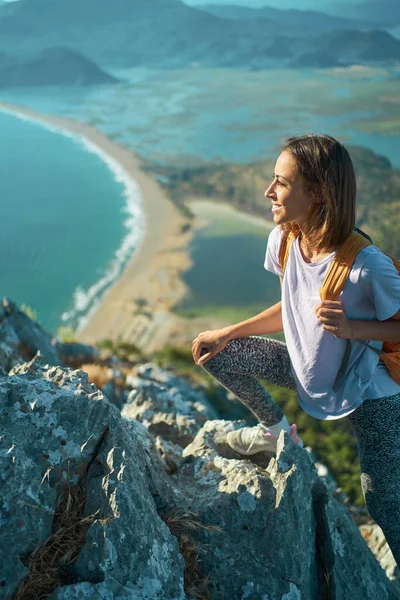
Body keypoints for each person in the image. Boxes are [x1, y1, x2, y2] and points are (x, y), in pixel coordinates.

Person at [191, 133, 400, 565]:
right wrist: (229, 331)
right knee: (218, 353)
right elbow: (292, 305)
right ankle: (275, 433)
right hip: (304, 368)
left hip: (369, 392)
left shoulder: (367, 265)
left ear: (319, 192)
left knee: (384, 503)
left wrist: (353, 326)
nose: (269, 191)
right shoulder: (283, 241)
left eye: (281, 183)